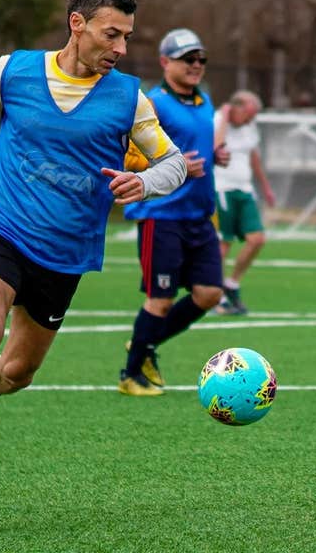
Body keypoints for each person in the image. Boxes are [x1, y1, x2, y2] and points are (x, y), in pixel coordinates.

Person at [0, 0, 187, 507]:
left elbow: (172, 162)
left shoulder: (130, 99)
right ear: (77, 24)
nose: (121, 48)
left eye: (128, 37)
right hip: (1, 227)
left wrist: (144, 183)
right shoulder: (14, 72)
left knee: (18, 371)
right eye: (113, 34)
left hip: (65, 253)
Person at [118, 28, 230, 396]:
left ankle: (144, 343)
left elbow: (195, 146)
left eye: (201, 59)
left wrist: (214, 156)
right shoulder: (153, 104)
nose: (196, 66)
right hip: (161, 216)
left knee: (210, 293)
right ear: (165, 62)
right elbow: (133, 155)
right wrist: (179, 165)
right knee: (160, 299)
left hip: (199, 216)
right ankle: (130, 375)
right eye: (188, 59)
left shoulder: (204, 101)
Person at [214, 90, 277, 315]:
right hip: (222, 189)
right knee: (223, 245)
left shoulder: (249, 127)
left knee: (257, 239)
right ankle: (217, 296)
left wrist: (266, 187)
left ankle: (232, 283)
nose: (251, 119)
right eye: (248, 113)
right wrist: (224, 117)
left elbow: (253, 157)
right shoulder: (218, 121)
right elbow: (217, 147)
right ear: (235, 108)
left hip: (245, 189)